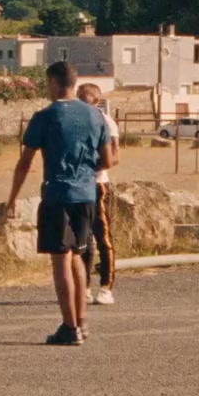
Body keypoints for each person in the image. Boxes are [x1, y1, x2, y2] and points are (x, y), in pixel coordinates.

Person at [5, 62, 114, 346]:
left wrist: (13, 198)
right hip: (87, 193)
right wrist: (85, 171)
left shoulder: (45, 116)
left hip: (57, 193)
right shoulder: (95, 115)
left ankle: (69, 326)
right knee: (77, 254)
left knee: (60, 257)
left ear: (54, 82)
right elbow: (107, 159)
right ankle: (82, 320)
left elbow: (25, 162)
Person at [77, 83, 120, 306]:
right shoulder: (76, 121)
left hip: (97, 183)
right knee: (82, 239)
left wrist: (91, 168)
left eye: (86, 100)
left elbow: (114, 157)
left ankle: (106, 287)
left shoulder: (106, 122)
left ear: (96, 101)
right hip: (78, 185)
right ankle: (84, 286)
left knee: (103, 236)